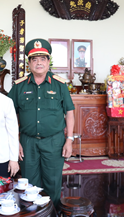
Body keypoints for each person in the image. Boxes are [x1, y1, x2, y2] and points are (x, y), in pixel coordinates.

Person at [8, 38, 75, 207]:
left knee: (52, 182)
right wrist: (14, 141)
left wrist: (69, 140)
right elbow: (8, 114)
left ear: (48, 61)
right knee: (29, 184)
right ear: (29, 63)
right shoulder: (19, 86)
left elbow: (70, 112)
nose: (39, 63)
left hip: (54, 141)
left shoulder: (60, 85)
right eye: (34, 59)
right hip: (27, 142)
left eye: (43, 59)